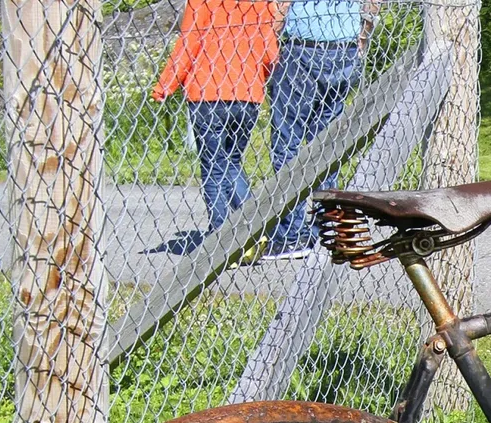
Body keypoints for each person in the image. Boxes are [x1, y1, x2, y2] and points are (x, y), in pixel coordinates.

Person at [153, 0, 281, 236]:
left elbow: (188, 44)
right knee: (231, 161)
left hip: (207, 93)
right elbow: (270, 52)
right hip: (247, 94)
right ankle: (252, 231)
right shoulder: (261, 3)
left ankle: (219, 239)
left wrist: (165, 86)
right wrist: (257, 78)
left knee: (213, 167)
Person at [261, 0, 375, 259]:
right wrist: (362, 35)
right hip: (344, 47)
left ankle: (291, 235)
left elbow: (280, 6)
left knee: (287, 141)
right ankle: (327, 224)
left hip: (302, 49)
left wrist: (270, 42)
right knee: (327, 142)